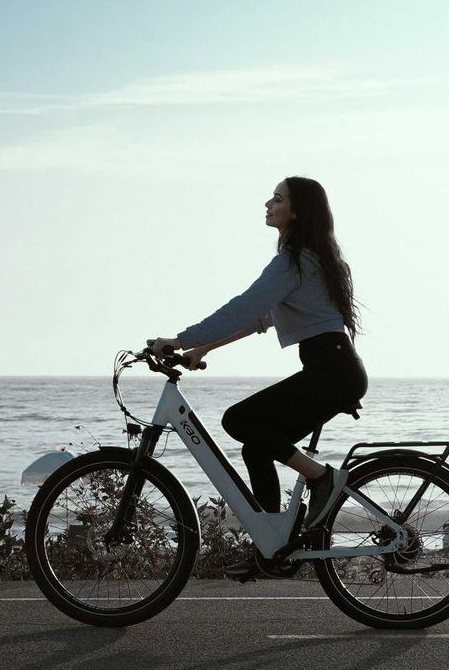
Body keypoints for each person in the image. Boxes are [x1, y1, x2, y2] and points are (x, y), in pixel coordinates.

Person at [149, 177, 367, 582]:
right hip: (335, 369)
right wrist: (205, 349)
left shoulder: (293, 262)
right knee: (256, 446)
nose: (268, 204)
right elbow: (262, 317)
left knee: (238, 420)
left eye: (278, 199)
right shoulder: (305, 260)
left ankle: (322, 478)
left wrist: (179, 339)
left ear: (296, 211)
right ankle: (272, 545)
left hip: (332, 371)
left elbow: (243, 307)